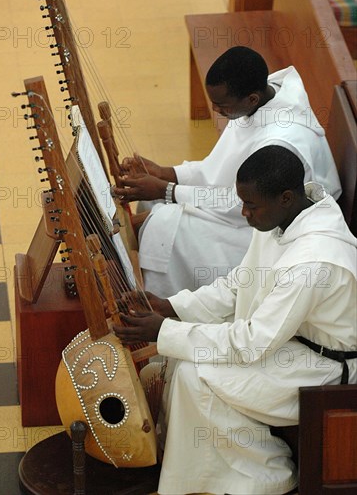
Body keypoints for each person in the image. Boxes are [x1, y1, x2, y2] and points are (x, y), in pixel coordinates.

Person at [113, 146, 357, 495]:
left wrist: (164, 331)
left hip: (325, 369)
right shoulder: (284, 218)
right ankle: (207, 478)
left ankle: (266, 476)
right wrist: (172, 307)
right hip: (292, 345)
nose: (243, 213)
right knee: (185, 364)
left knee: (197, 375)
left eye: (250, 205)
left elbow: (251, 342)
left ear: (286, 197)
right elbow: (237, 286)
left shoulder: (312, 261)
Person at [113, 47, 341, 298]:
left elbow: (243, 205)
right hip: (249, 209)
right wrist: (167, 174)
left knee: (165, 226)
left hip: (272, 230)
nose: (216, 111)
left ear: (252, 99)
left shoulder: (280, 140)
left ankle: (164, 309)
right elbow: (218, 168)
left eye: (221, 106)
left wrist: (168, 190)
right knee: (153, 200)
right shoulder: (260, 100)